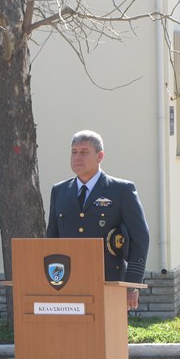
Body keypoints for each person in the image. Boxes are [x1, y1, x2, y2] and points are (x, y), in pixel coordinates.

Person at [46, 130, 150, 310]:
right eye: (74, 152)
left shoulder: (120, 190)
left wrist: (132, 284)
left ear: (99, 156)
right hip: (67, 284)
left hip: (108, 282)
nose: (77, 157)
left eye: (84, 152)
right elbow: (52, 239)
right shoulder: (59, 191)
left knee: (106, 336)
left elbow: (140, 238)